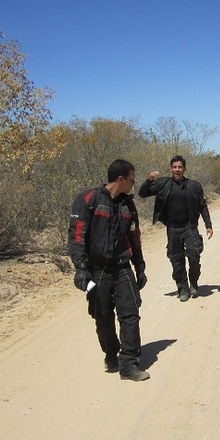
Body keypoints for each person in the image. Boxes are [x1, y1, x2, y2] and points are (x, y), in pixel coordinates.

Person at [68, 159, 150, 381]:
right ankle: (111, 354)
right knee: (102, 316)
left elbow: (135, 236)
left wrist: (139, 266)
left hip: (122, 267)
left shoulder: (128, 205)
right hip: (96, 270)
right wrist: (81, 269)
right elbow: (77, 236)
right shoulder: (88, 200)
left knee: (130, 314)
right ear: (120, 179)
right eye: (132, 178)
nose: (134, 182)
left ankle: (129, 364)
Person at [138, 155, 213, 302]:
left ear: (184, 169)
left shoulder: (194, 185)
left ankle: (194, 283)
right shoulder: (162, 183)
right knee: (176, 260)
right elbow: (143, 193)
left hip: (189, 226)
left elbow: (202, 206)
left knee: (194, 254)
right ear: (171, 168)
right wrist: (149, 180)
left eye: (180, 167)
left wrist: (208, 225)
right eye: (174, 167)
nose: (177, 170)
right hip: (172, 228)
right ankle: (183, 288)